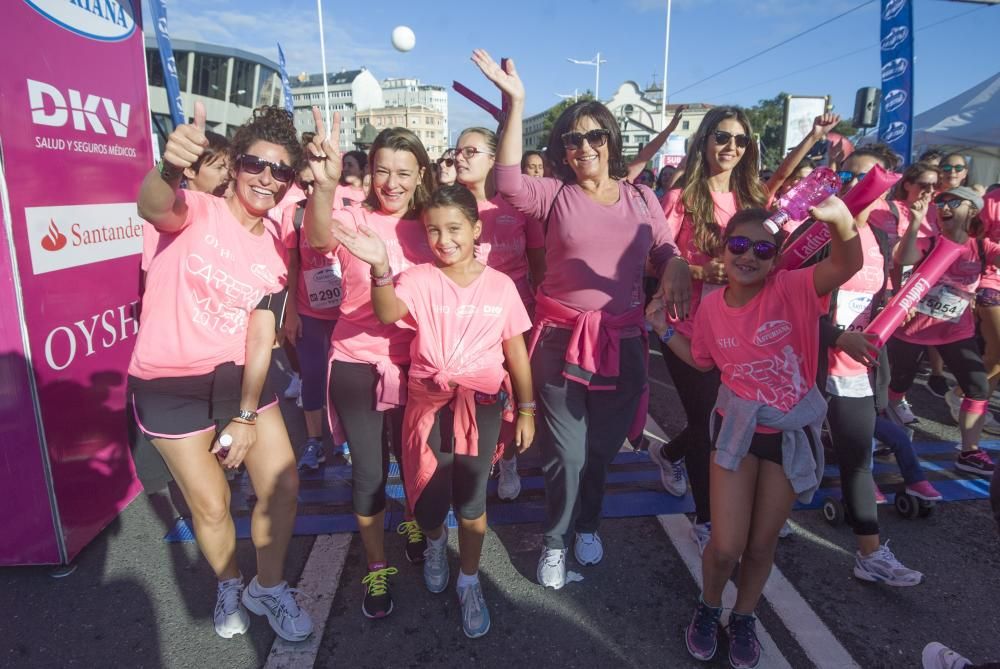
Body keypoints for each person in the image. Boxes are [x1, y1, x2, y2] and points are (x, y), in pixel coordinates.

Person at [471, 49, 689, 589]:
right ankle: (554, 540)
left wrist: (678, 263)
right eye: (573, 139)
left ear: (612, 141)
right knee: (564, 453)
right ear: (563, 150)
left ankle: (588, 523)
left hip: (625, 344)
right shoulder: (555, 195)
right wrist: (515, 104)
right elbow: (508, 181)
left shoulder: (642, 197)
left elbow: (663, 247)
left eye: (595, 137)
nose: (584, 146)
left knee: (599, 452)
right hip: (560, 343)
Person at [648, 200, 863, 669]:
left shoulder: (792, 289)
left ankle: (743, 615)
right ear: (723, 251)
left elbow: (849, 263)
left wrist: (841, 221)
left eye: (762, 250)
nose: (749, 256)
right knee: (725, 546)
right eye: (739, 245)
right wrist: (662, 331)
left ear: (776, 258)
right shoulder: (710, 310)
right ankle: (708, 607)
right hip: (737, 432)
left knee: (761, 545)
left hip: (788, 435)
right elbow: (703, 360)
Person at [129, 103, 312, 641]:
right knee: (210, 505)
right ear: (235, 163)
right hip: (169, 383)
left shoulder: (274, 254)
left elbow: (261, 336)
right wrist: (167, 169)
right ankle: (230, 581)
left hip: (239, 379)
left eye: (280, 171)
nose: (267, 177)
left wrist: (248, 412)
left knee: (282, 486)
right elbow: (154, 206)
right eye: (257, 163)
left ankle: (269, 587)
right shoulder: (194, 209)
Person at [333, 184, 535, 638]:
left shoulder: (500, 286)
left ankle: (468, 580)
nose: (444, 240)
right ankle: (436, 543)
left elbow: (516, 352)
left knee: (471, 502)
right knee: (426, 504)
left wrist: (526, 408)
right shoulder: (419, 278)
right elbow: (387, 313)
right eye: (434, 231)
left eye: (454, 229)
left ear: (476, 229)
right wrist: (382, 268)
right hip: (427, 404)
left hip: (479, 407)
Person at [304, 114, 438, 618]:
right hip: (357, 362)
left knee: (414, 464)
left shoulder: (432, 225)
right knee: (369, 472)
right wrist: (324, 184)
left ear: (422, 174)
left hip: (418, 366)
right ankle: (377, 566)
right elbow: (319, 239)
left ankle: (408, 519)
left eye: (404, 173)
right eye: (382, 171)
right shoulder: (355, 216)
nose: (392, 184)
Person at [652, 106, 768, 555]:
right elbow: (654, 258)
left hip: (741, 328)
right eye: (722, 137)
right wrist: (700, 271)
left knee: (723, 418)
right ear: (704, 140)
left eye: (740, 140)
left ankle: (670, 452)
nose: (731, 147)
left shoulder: (754, 197)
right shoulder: (681, 196)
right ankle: (705, 520)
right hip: (688, 326)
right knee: (707, 424)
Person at [454, 126, 546, 500]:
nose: (459, 157)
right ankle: (471, 455)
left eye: (470, 151)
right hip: (464, 320)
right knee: (469, 393)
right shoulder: (449, 204)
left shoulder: (520, 206)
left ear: (495, 159)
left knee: (511, 391)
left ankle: (507, 459)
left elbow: (538, 265)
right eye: (456, 151)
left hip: (515, 317)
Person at [891, 186, 998, 476]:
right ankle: (882, 435)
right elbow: (905, 257)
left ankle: (970, 452)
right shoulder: (931, 240)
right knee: (896, 388)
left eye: (953, 201)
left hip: (956, 331)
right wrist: (914, 223)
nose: (944, 206)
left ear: (973, 210)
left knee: (977, 386)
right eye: (941, 201)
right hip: (911, 330)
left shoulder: (981, 246)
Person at [281, 166, 347, 470]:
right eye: (304, 183)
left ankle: (344, 438)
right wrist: (291, 312)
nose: (310, 190)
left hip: (348, 313)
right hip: (310, 311)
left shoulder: (350, 207)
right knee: (312, 375)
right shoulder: (294, 214)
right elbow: (293, 266)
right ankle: (314, 441)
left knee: (345, 380)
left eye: (316, 183)